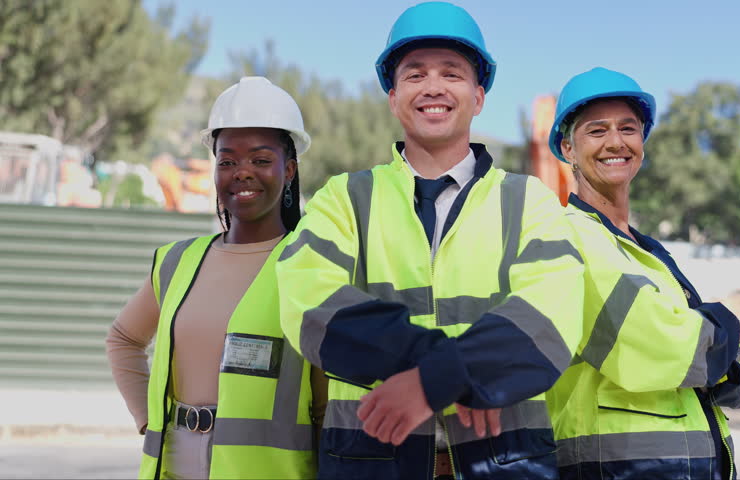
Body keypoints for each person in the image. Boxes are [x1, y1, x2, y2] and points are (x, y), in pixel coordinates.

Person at [276, 2, 584, 479]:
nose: (434, 87)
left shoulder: (529, 202)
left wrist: (434, 379)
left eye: (452, 73)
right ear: (393, 96)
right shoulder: (346, 198)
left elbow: (552, 315)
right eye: (415, 74)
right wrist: (437, 365)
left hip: (504, 465)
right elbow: (307, 301)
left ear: (479, 97)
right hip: (373, 463)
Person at [105, 76, 325, 480]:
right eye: (228, 161)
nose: (242, 172)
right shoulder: (177, 262)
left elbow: (327, 403)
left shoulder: (312, 265)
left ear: (289, 169)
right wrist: (148, 421)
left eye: (260, 159)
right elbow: (122, 340)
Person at [546, 67, 740, 480]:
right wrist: (725, 333)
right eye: (596, 131)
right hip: (614, 469)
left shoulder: (647, 251)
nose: (616, 142)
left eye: (628, 128)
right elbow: (646, 342)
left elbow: (695, 356)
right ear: (567, 147)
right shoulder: (564, 236)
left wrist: (715, 353)